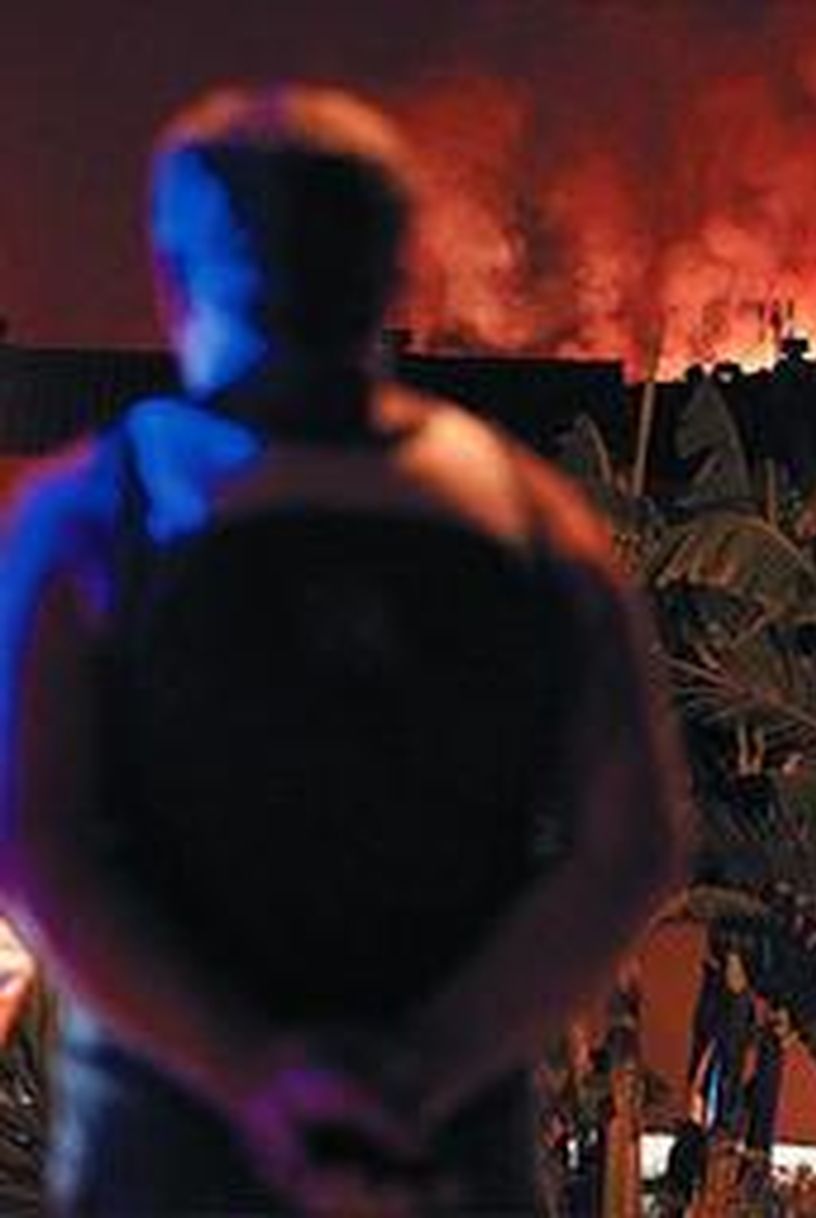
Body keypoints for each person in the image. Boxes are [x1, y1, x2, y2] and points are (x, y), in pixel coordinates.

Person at [0, 84, 689, 1214]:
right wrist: (428, 1068)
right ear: (393, 271)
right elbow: (631, 852)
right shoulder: (535, 525)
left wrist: (257, 1077)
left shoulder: (95, 511)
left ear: (174, 275)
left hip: (176, 1153)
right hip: (444, 1157)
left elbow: (37, 843)